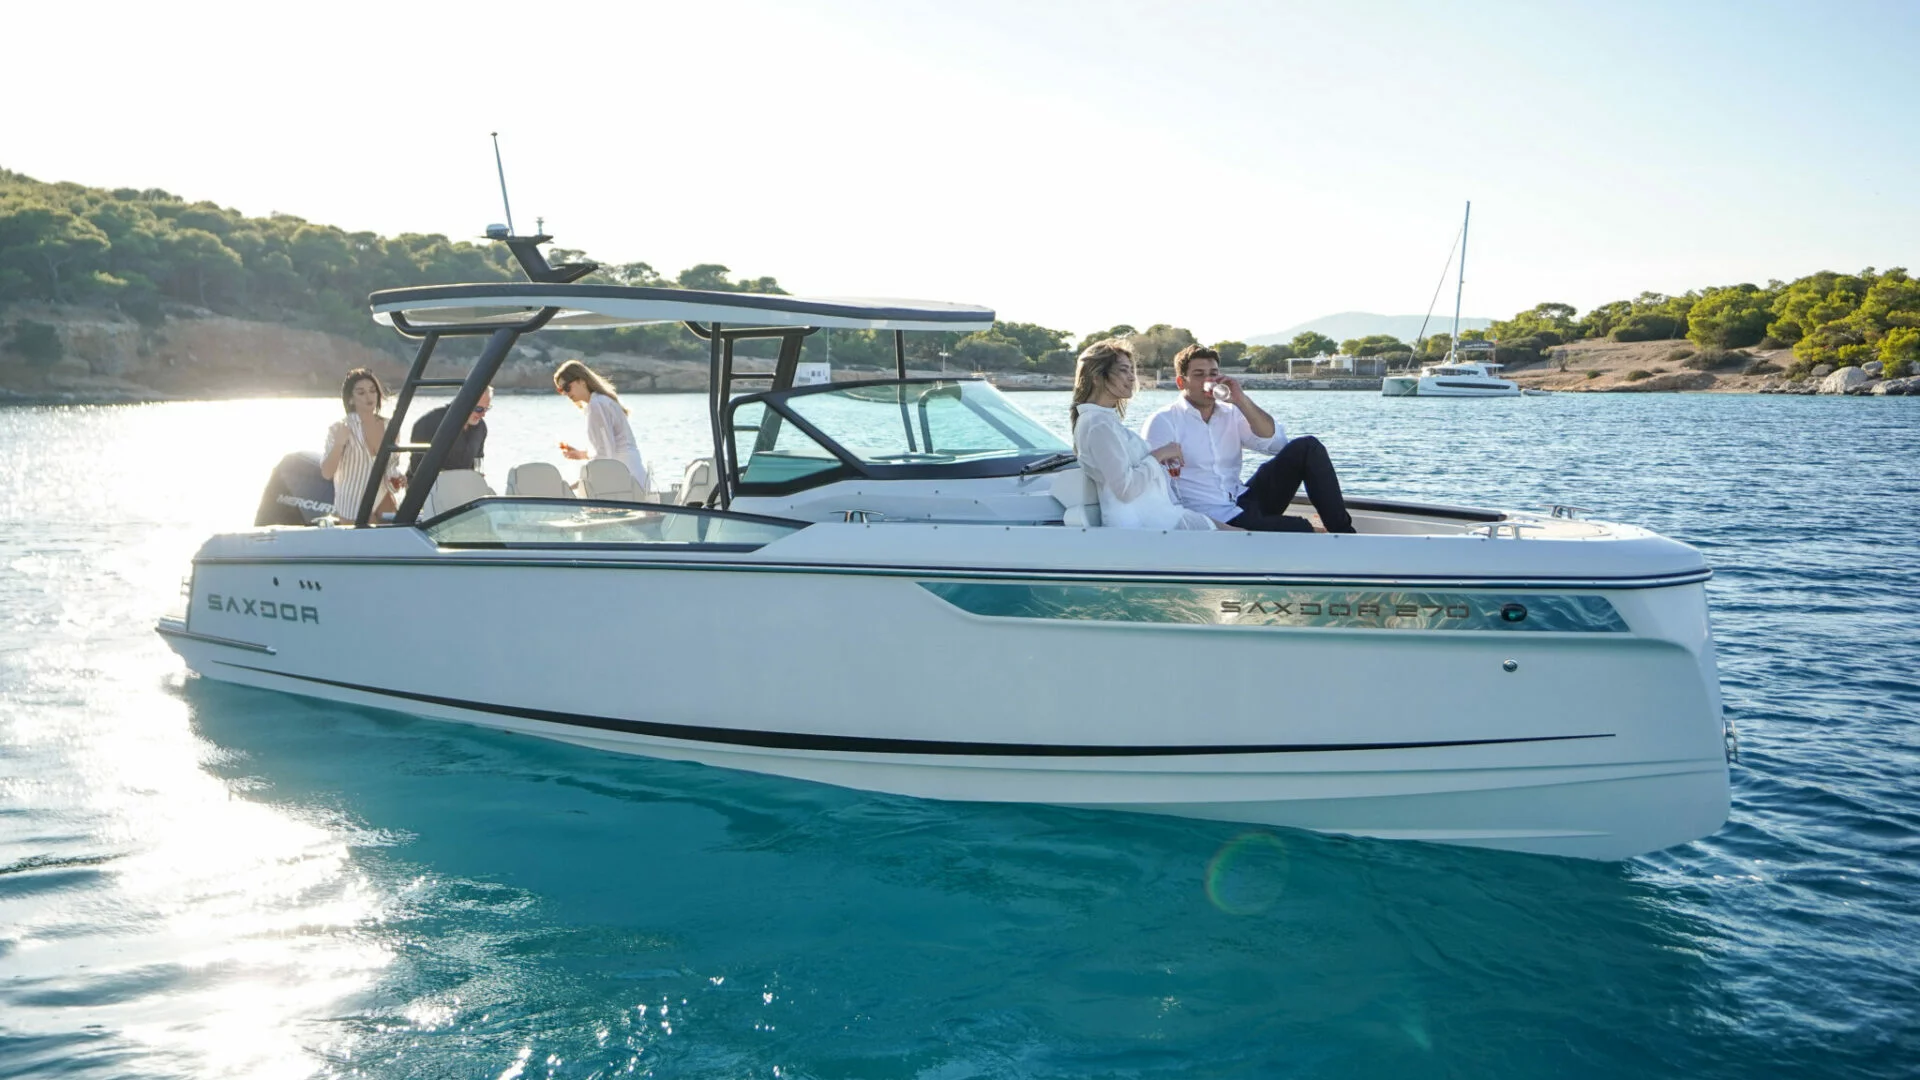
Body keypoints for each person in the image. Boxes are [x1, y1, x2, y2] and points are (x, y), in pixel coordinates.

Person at [1141, 344, 1354, 533]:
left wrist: (1241, 400)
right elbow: (1152, 485)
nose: (1208, 381)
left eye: (1213, 374)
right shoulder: (1163, 421)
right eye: (1199, 375)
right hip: (1212, 515)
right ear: (1181, 382)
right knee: (1302, 529)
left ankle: (1344, 533)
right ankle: (1319, 534)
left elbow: (1276, 445)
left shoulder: (1231, 412)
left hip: (1243, 500)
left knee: (1307, 447)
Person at [1069, 338, 1219, 531]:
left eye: (1131, 370)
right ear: (1097, 377)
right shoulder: (1098, 425)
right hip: (1146, 527)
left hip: (1159, 519)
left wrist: (1156, 460)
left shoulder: (1104, 421)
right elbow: (1125, 489)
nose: (1132, 378)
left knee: (1241, 535)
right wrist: (1160, 455)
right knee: (1241, 537)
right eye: (1124, 370)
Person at [320, 368, 403, 520]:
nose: (369, 397)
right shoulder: (339, 428)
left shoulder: (390, 427)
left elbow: (391, 469)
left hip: (384, 502)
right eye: (361, 393)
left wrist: (398, 479)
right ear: (350, 399)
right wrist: (339, 444)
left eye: (372, 391)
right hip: (353, 506)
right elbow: (326, 473)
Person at [553, 360, 649, 490]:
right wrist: (580, 454)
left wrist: (575, 485)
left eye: (566, 387)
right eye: (561, 390)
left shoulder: (596, 405)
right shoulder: (602, 401)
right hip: (635, 478)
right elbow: (609, 448)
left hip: (624, 483)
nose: (565, 393)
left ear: (581, 381)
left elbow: (606, 455)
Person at [407, 386, 492, 484]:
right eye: (479, 409)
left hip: (464, 486)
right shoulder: (429, 423)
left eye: (486, 409)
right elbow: (417, 467)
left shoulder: (481, 427)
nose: (483, 414)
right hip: (430, 487)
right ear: (463, 402)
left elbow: (478, 461)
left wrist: (477, 477)